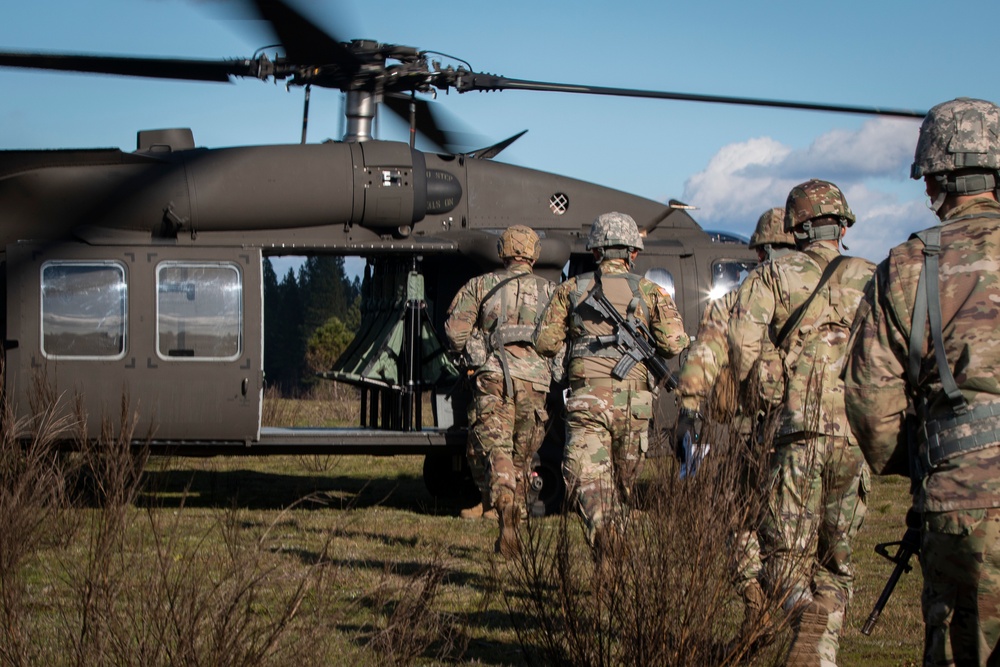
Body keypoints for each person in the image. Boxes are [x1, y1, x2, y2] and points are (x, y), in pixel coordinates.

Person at [844, 97, 1000, 665]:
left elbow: (869, 404)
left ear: (932, 177)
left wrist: (922, 464)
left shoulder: (909, 266)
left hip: (960, 500)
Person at [728, 180, 874, 666]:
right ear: (844, 224)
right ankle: (820, 658)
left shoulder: (772, 276)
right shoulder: (873, 276)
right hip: (855, 439)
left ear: (796, 225)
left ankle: (800, 610)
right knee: (837, 565)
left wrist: (764, 397)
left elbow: (743, 347)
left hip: (795, 434)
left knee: (781, 558)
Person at [674, 206, 796, 650]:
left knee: (738, 516)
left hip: (762, 432)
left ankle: (755, 599)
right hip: (830, 432)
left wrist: (688, 410)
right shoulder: (836, 286)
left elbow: (706, 354)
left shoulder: (740, 298)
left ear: (760, 249)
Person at [534, 211, 689, 560]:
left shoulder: (570, 290)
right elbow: (675, 344)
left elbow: (544, 342)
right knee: (622, 484)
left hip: (588, 400)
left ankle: (604, 532)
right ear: (633, 252)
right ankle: (611, 552)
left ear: (595, 252)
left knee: (589, 479)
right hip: (635, 405)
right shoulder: (652, 293)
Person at [444, 225, 557, 557]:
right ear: (534, 254)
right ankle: (513, 523)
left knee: (496, 449)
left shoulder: (481, 286)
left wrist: (477, 355)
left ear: (502, 251)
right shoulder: (553, 291)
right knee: (522, 458)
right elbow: (565, 337)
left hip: (494, 376)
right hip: (536, 381)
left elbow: (455, 332)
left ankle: (502, 503)